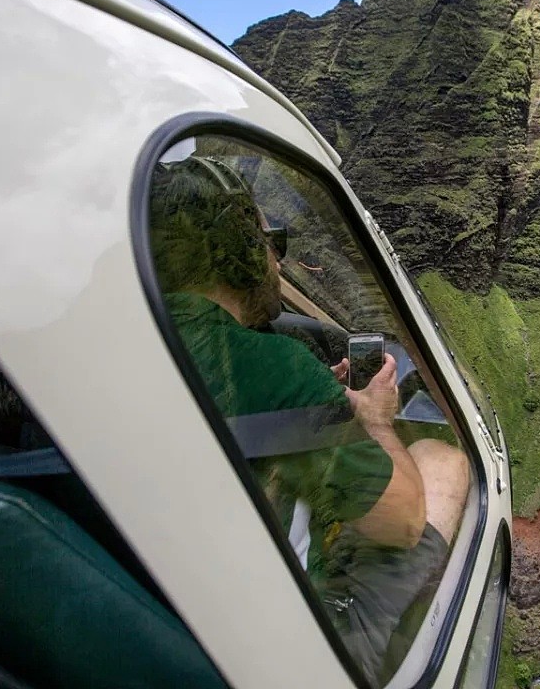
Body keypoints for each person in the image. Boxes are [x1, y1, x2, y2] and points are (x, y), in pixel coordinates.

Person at [148, 155, 470, 684]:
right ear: (244, 255)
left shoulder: (131, 339)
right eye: (273, 246)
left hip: (177, 617)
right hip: (285, 648)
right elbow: (404, 524)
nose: (278, 264)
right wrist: (377, 421)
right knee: (442, 462)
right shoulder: (273, 367)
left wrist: (324, 403)